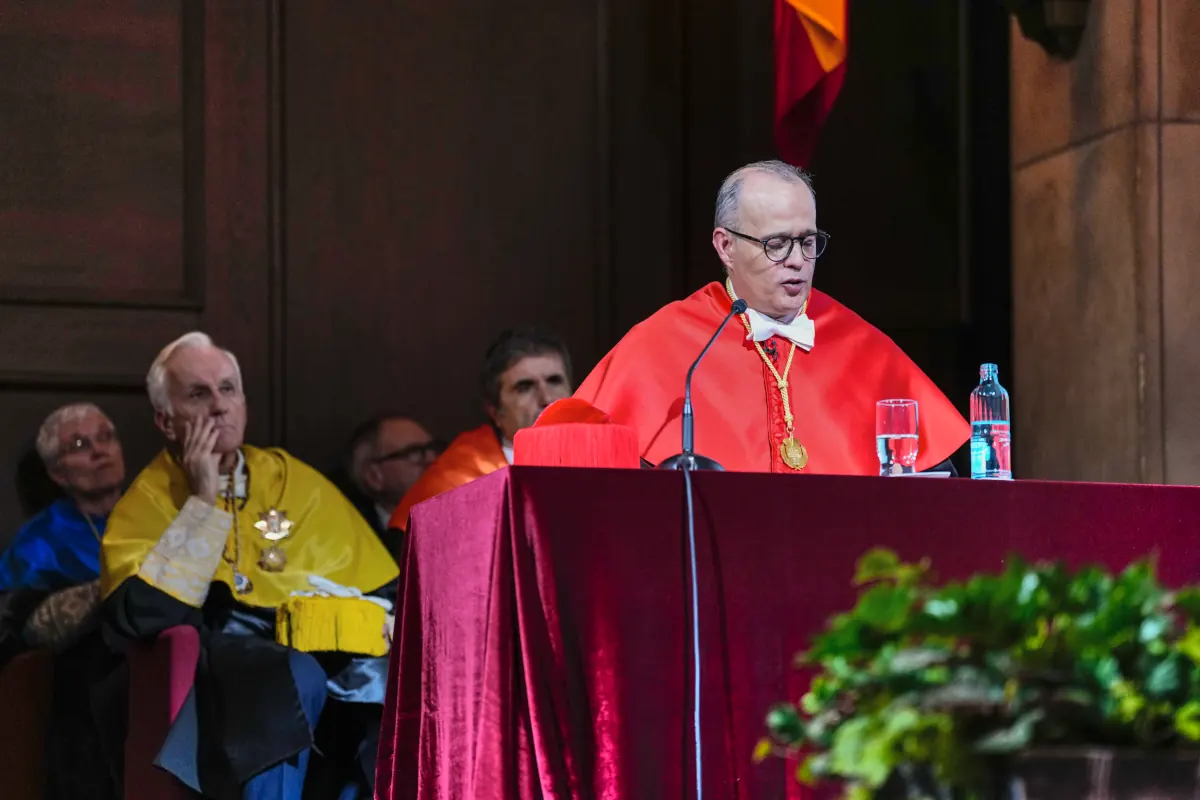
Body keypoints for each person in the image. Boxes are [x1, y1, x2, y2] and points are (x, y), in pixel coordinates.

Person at [99, 332, 399, 800]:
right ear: (166, 421)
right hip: (218, 666)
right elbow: (143, 615)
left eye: (228, 389)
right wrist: (202, 500)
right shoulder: (151, 497)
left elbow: (381, 586)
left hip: (312, 649)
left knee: (388, 683)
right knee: (291, 675)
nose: (219, 406)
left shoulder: (290, 480)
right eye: (198, 394)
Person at [574, 160, 969, 473]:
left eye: (808, 242)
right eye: (777, 244)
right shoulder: (663, 343)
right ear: (726, 246)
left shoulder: (863, 347)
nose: (797, 261)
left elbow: (935, 488)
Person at [388, 327, 572, 531]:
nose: (547, 399)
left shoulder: (597, 458)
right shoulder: (457, 482)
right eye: (524, 387)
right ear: (495, 412)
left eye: (554, 381)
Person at [345, 416, 440, 534]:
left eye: (434, 449)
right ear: (373, 476)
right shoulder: (354, 534)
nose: (433, 460)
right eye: (414, 452)